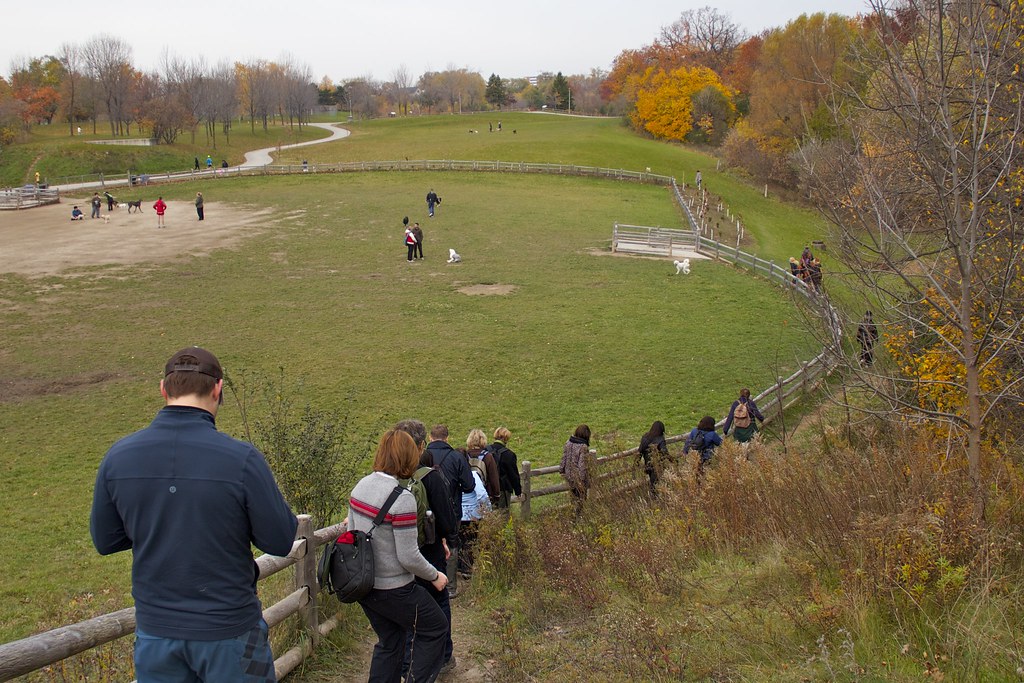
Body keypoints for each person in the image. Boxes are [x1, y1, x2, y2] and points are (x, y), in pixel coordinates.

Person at [90, 346, 298, 683]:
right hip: (233, 630)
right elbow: (280, 540)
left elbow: (106, 540)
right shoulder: (242, 459)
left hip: (156, 634)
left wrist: (157, 524)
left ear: (163, 389)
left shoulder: (118, 457)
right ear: (218, 389)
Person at [349, 429, 449, 683]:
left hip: (365, 586)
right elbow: (408, 556)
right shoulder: (402, 499)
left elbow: (351, 534)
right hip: (394, 588)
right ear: (408, 457)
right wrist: (435, 575)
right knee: (436, 627)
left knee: (391, 641)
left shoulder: (361, 486)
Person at [393, 419, 459, 675]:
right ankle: (443, 657)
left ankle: (407, 661)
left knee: (405, 606)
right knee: (438, 602)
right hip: (429, 551)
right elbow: (447, 519)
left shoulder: (388, 476)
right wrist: (446, 539)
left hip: (395, 553)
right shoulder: (430, 476)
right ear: (421, 446)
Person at [425, 425, 475, 597]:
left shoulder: (422, 456)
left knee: (427, 544)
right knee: (452, 544)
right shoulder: (456, 457)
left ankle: (429, 582)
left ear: (430, 437)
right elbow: (469, 485)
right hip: (452, 509)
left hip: (426, 510)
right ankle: (450, 586)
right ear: (447, 438)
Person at [458, 448, 491, 580]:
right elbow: (482, 494)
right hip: (472, 514)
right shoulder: (473, 475)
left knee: (459, 540)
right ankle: (467, 569)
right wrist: (487, 511)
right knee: (470, 541)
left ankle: (459, 566)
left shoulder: (450, 475)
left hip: (458, 514)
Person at [560, 424, 593, 514]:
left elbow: (564, 458)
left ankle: (573, 515)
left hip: (569, 476)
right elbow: (582, 465)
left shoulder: (568, 443)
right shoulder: (583, 447)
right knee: (581, 500)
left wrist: (561, 470)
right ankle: (578, 517)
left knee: (573, 498)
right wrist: (582, 481)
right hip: (578, 479)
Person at [487, 427, 522, 509]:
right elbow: (513, 475)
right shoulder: (509, 454)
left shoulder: (486, 450)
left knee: (488, 512)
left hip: (488, 488)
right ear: (506, 438)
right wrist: (518, 490)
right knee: (503, 513)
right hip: (503, 488)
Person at [464, 429, 500, 503]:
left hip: (467, 495)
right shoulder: (488, 456)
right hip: (485, 493)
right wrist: (496, 494)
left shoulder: (464, 455)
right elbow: (493, 477)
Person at [684, 416, 723, 482]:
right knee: (705, 474)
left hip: (694, 456)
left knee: (696, 473)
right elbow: (721, 443)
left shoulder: (694, 431)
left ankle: (696, 484)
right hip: (706, 457)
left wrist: (685, 452)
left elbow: (688, 442)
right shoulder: (712, 434)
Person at [638, 420, 670, 497]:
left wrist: (637, 461)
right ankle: (656, 498)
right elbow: (664, 452)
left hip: (648, 464)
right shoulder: (660, 438)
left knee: (653, 481)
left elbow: (640, 450)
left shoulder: (645, 437)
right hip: (657, 464)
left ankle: (654, 496)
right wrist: (672, 460)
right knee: (656, 483)